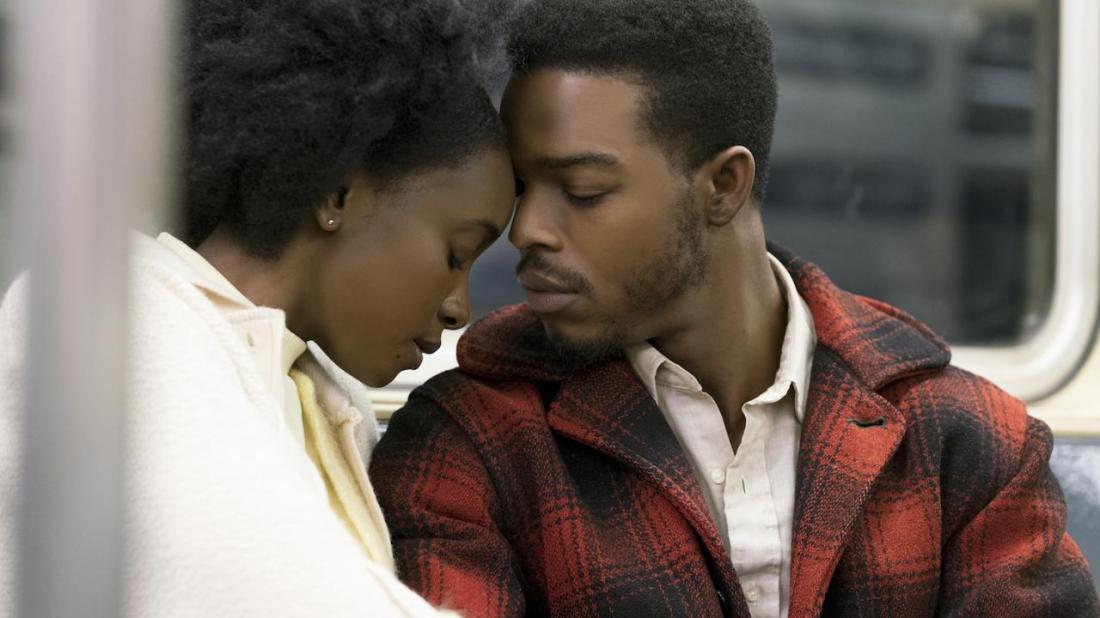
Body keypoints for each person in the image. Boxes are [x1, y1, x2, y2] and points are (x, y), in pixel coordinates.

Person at [370, 0, 1100, 615]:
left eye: (583, 192)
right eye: (523, 189)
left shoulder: (964, 439)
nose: (526, 230)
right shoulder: (473, 440)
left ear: (723, 186)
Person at [0, 0, 514, 615]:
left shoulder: (315, 394)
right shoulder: (112, 321)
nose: (459, 309)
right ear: (337, 195)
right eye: (456, 254)